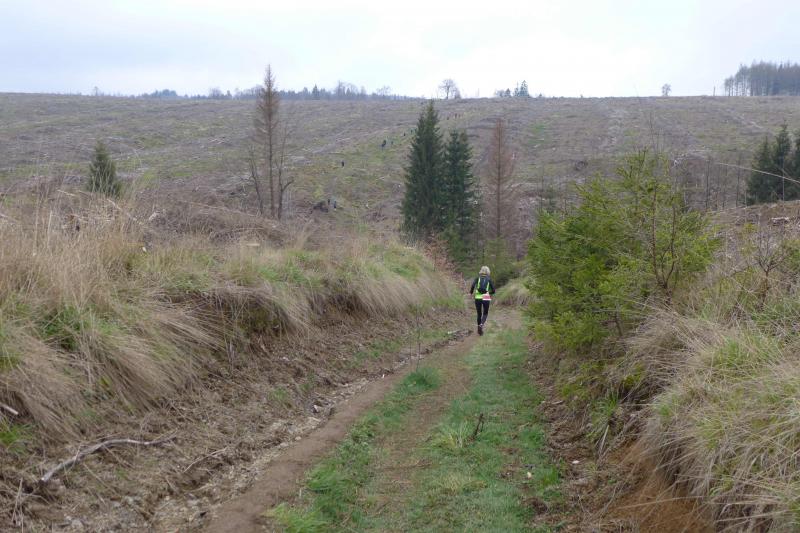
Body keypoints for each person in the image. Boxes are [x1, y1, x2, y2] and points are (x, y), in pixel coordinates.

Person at [470, 266, 495, 336]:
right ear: (488, 271)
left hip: (478, 297)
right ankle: (481, 325)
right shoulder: (489, 279)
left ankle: (479, 329)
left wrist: (471, 293)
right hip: (486, 297)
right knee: (485, 313)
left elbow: (472, 286)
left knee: (479, 314)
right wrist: (488, 293)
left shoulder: (477, 278)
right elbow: (493, 290)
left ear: (481, 271)